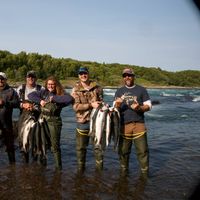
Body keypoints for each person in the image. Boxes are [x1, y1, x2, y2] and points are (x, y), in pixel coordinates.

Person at [28, 76, 73, 170]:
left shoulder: (61, 94)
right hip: (42, 120)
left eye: (52, 84)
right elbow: (31, 95)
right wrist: (40, 101)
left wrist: (54, 99)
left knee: (55, 146)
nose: (50, 86)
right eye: (48, 84)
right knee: (42, 143)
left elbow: (69, 99)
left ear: (56, 84)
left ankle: (58, 168)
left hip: (54, 122)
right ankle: (42, 165)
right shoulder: (43, 92)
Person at [114, 68, 152, 177]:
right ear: (123, 77)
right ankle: (123, 175)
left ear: (133, 76)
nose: (127, 77)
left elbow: (149, 106)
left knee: (143, 152)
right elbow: (115, 109)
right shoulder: (119, 91)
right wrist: (117, 104)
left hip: (139, 125)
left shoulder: (142, 90)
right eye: (125, 75)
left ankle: (145, 176)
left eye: (129, 75)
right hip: (123, 125)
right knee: (123, 152)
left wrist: (139, 107)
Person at [71, 67, 104, 173]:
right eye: (81, 74)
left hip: (96, 122)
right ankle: (80, 172)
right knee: (81, 149)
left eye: (85, 73)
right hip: (82, 122)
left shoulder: (97, 88)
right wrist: (91, 105)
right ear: (78, 76)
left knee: (98, 148)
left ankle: (99, 173)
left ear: (88, 74)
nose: (83, 75)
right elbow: (75, 107)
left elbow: (101, 102)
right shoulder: (75, 89)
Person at [16, 70, 42, 163]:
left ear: (36, 78)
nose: (31, 78)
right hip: (23, 116)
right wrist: (23, 105)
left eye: (33, 77)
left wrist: (34, 107)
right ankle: (25, 161)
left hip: (36, 117)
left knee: (36, 140)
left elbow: (44, 103)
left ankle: (35, 161)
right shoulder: (20, 88)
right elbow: (15, 102)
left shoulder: (41, 89)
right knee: (22, 138)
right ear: (26, 78)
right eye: (29, 77)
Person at [0, 72, 19, 164]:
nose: (0, 81)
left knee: (10, 146)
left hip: (6, 122)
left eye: (2, 79)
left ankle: (12, 167)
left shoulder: (11, 91)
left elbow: (17, 103)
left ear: (5, 80)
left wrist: (4, 102)